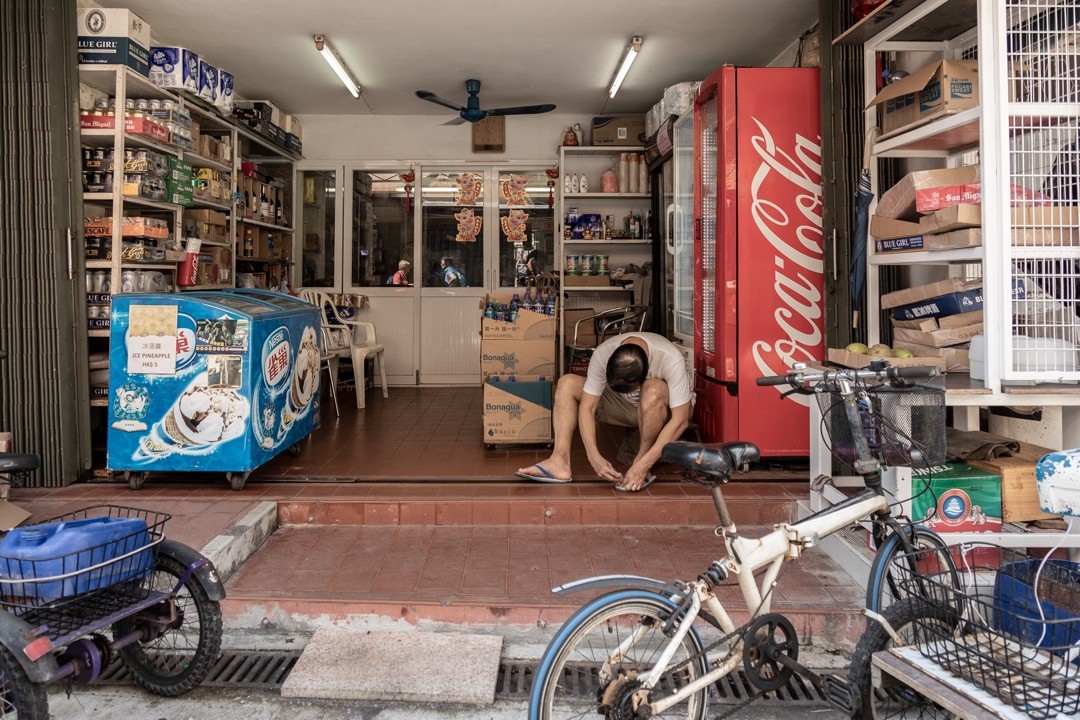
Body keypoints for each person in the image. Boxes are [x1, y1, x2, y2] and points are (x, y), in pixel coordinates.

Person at [516, 332, 692, 492]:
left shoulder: (670, 358)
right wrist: (594, 456)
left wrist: (644, 465)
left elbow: (681, 420)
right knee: (567, 383)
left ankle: (641, 461)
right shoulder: (604, 352)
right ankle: (559, 461)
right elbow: (588, 407)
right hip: (624, 407)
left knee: (654, 389)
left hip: (661, 411)